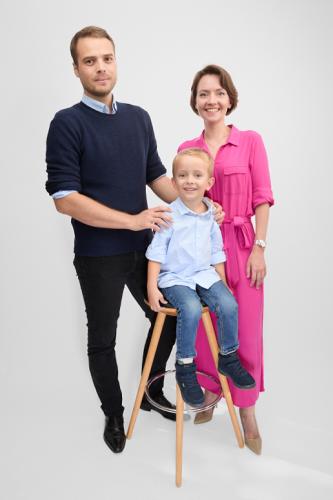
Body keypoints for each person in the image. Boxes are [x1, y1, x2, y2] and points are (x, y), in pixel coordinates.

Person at [45, 25, 181, 455]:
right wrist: (132, 220)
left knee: (169, 317)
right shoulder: (66, 123)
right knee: (103, 338)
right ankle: (114, 413)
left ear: (115, 61)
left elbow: (156, 176)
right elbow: (65, 200)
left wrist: (198, 202)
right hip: (98, 255)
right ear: (76, 69)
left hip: (145, 250)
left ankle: (150, 391)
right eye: (90, 61)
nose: (100, 68)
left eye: (106, 58)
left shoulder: (138, 117)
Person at [178, 65, 274, 454]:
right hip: (198, 248)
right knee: (203, 325)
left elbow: (263, 197)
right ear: (195, 102)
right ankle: (209, 392)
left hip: (240, 244)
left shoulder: (250, 141)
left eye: (218, 93)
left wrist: (259, 247)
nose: (211, 100)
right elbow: (185, 197)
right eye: (203, 94)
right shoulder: (187, 148)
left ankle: (247, 409)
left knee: (245, 327)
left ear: (229, 98)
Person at [146, 148, 255, 407]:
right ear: (173, 183)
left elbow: (217, 251)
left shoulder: (210, 214)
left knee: (228, 304)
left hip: (204, 274)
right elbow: (156, 253)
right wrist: (152, 286)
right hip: (175, 278)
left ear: (209, 182)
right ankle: (185, 365)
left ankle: (228, 356)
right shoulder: (169, 215)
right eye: (182, 175)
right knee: (191, 308)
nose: (190, 181)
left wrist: (223, 281)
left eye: (197, 175)